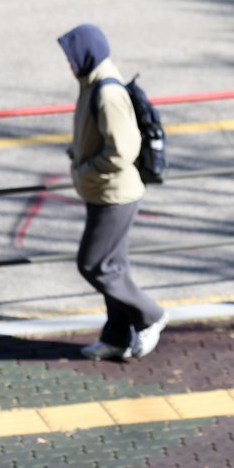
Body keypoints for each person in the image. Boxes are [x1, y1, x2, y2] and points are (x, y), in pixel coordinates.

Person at [58, 23, 169, 361]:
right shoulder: (91, 84)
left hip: (114, 194)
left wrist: (86, 169)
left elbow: (123, 149)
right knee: (114, 268)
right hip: (101, 191)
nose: (69, 63)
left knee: (93, 265)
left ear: (86, 54)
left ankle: (150, 315)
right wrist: (79, 157)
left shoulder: (106, 92)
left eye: (71, 56)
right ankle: (116, 337)